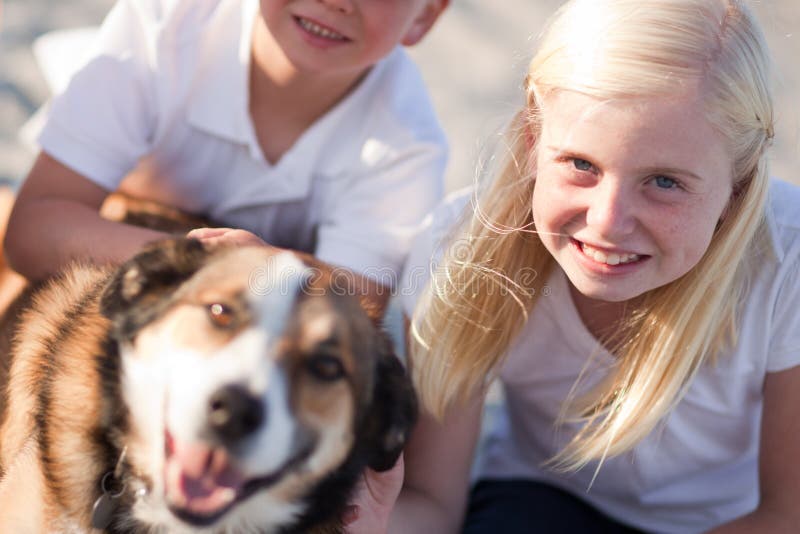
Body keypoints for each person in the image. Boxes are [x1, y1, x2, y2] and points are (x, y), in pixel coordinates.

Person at [347, 0, 800, 532]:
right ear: (535, 141)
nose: (608, 223)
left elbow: (786, 512)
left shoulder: (785, 264)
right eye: (582, 164)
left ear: (738, 187)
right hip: (540, 498)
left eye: (664, 182)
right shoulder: (464, 251)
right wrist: (354, 522)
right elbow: (432, 504)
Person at [4, 0, 450, 313]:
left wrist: (254, 273)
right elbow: (34, 230)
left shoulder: (407, 145)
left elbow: (355, 305)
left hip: (246, 315)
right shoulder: (163, 25)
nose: (336, 1)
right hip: (126, 241)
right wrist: (212, 264)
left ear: (425, 15)